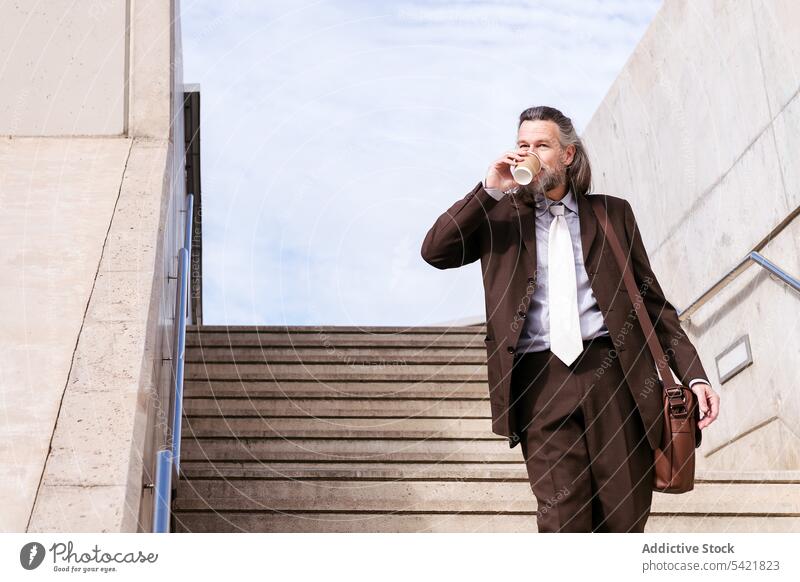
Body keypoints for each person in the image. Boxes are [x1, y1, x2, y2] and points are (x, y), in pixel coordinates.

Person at [420, 105, 720, 532]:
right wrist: (487, 190)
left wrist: (694, 375)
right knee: (563, 524)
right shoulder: (497, 216)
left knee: (624, 518)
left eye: (542, 144)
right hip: (539, 383)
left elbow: (652, 302)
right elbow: (436, 251)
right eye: (523, 144)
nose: (529, 153)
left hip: (616, 377)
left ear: (568, 155)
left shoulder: (612, 214)